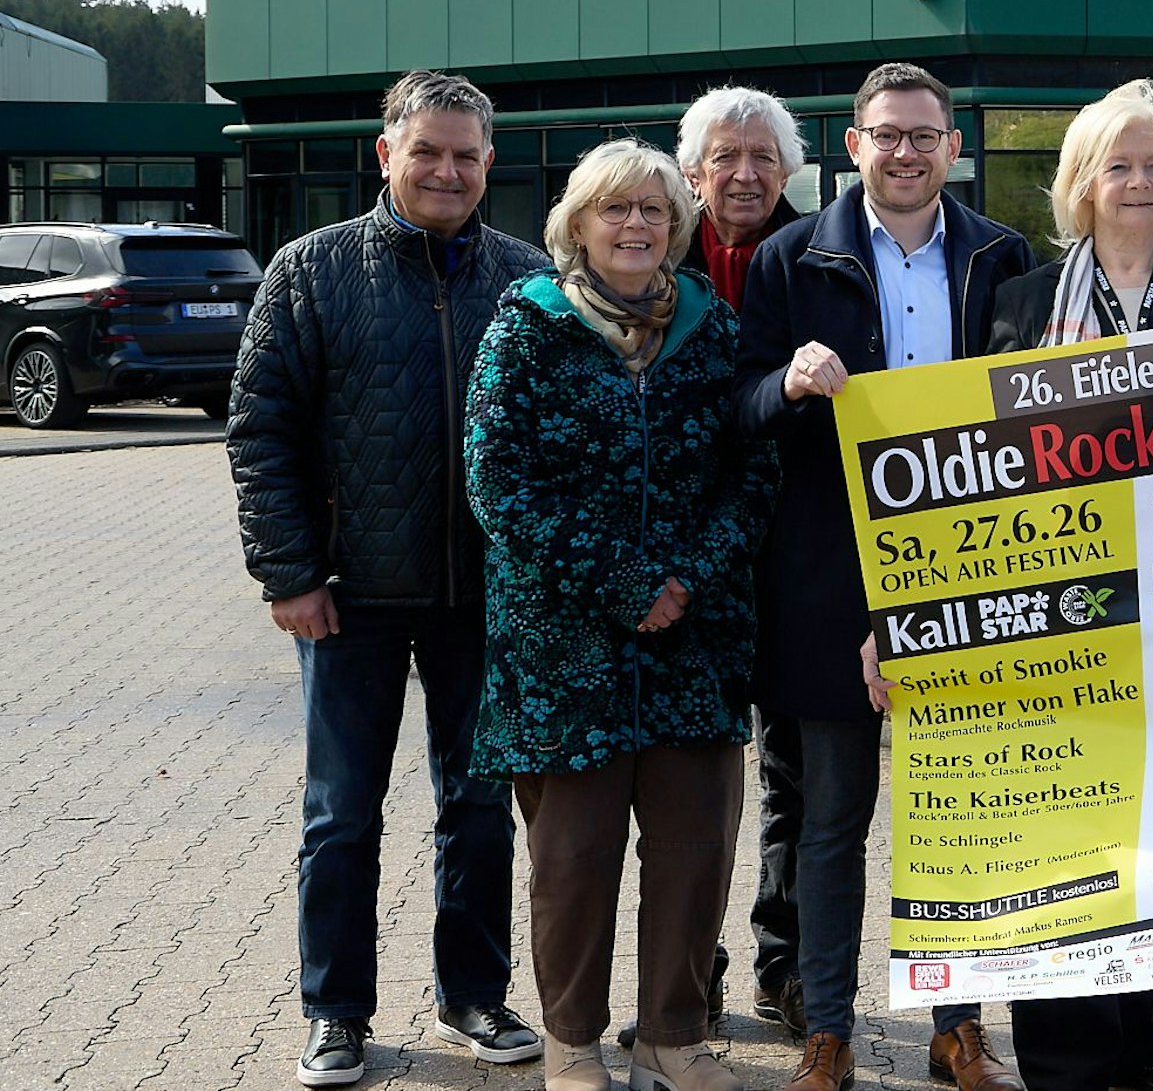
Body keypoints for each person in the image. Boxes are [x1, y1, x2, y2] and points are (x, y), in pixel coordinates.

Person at [226, 70, 548, 1088]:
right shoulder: (309, 271)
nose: (447, 170)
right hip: (347, 596)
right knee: (341, 811)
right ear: (386, 155)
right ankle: (335, 1009)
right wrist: (288, 572)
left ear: (489, 163)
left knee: (480, 805)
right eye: (428, 151)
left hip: (485, 597)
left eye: (466, 155)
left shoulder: (529, 277)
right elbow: (261, 427)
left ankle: (473, 995)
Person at [733, 61, 1035, 1091]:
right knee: (832, 819)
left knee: (963, 814)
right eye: (885, 134)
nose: (905, 152)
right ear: (851, 146)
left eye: (924, 135)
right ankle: (828, 1029)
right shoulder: (786, 259)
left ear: (953, 147)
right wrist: (786, 382)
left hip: (970, 577)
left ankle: (961, 1026)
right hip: (824, 580)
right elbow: (735, 408)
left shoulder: (1004, 254)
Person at [463, 137, 777, 1091]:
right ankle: (573, 1042)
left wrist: (683, 578)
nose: (636, 225)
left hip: (694, 645)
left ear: (678, 225)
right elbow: (495, 480)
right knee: (574, 862)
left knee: (693, 854)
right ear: (577, 224)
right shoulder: (525, 326)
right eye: (615, 209)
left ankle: (674, 1037)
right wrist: (624, 583)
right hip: (563, 649)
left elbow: (753, 471)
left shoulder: (713, 327)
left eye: (653, 210)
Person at [978, 78, 1153, 1091]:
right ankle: (1065, 1053)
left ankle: (1141, 1044)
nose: (1138, 181)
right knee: (1066, 824)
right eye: (1118, 164)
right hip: (1058, 613)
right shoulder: (1018, 306)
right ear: (1082, 181)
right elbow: (979, 464)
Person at [678, 82, 810, 1039]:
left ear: (792, 169)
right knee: (689, 783)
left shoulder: (821, 256)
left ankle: (786, 965)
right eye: (726, 155)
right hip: (682, 564)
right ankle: (691, 969)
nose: (746, 172)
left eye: (763, 155)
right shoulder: (642, 252)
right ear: (693, 172)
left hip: (795, 554)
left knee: (793, 777)